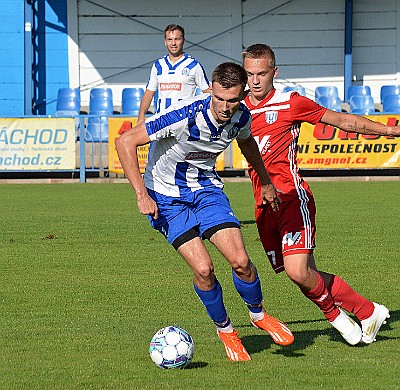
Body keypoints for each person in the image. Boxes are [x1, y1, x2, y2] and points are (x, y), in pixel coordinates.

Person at [116, 62, 294, 362]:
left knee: (241, 262)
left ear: (243, 95)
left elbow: (247, 141)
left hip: (206, 190)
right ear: (211, 89)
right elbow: (125, 141)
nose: (225, 107)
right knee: (204, 269)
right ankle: (226, 331)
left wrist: (265, 181)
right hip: (167, 197)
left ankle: (258, 314)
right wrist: (141, 195)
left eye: (232, 100)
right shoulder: (184, 114)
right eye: (220, 99)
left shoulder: (240, 116)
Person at [242, 43, 399, 346]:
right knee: (304, 274)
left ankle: (340, 321)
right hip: (263, 206)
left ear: (275, 72)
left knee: (298, 270)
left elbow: (342, 120)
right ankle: (368, 312)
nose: (256, 81)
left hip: (291, 198)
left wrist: (389, 131)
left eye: (262, 73)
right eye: (250, 74)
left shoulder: (291, 103)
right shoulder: (237, 108)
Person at [137, 24, 211, 124]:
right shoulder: (158, 65)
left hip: (184, 122)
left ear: (183, 41)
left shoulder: (193, 65)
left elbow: (207, 92)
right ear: (165, 42)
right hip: (161, 122)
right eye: (169, 39)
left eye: (177, 39)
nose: (173, 43)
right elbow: (149, 94)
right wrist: (141, 117)